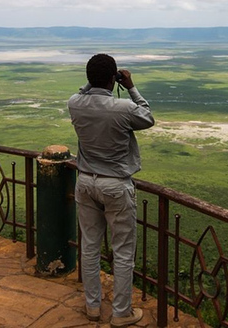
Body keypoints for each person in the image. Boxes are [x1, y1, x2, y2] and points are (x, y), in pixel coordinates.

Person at [68, 54, 155, 327]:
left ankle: (93, 308)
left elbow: (85, 92)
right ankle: (121, 313)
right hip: (116, 185)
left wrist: (92, 84)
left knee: (90, 247)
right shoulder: (124, 108)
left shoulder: (75, 103)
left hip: (85, 181)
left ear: (88, 78)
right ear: (113, 78)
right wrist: (130, 85)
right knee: (123, 251)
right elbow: (148, 117)